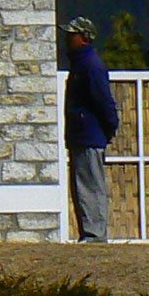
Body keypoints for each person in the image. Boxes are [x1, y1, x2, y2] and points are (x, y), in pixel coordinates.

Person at [62, 17, 121, 242]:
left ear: (84, 38)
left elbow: (103, 101)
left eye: (72, 34)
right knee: (81, 187)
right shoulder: (80, 64)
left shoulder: (91, 65)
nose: (68, 39)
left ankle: (95, 234)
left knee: (90, 186)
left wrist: (108, 127)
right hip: (80, 136)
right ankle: (88, 232)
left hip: (89, 136)